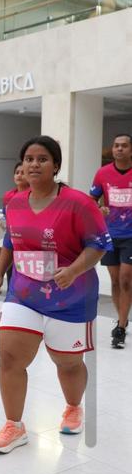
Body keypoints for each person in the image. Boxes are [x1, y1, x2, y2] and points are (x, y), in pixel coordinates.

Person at [0, 136, 112, 453]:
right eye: (29, 159)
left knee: (67, 363)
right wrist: (0, 273)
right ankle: (14, 426)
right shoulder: (15, 203)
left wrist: (73, 271)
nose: (34, 164)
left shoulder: (78, 203)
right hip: (23, 294)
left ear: (55, 165)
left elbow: (98, 244)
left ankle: (73, 407)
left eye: (42, 159)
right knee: (9, 357)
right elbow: (12, 244)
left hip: (71, 299)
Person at [89, 134, 132, 349]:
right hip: (110, 234)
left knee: (125, 279)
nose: (120, 149)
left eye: (124, 146)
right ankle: (122, 317)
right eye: (116, 146)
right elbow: (91, 200)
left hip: (131, 235)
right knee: (115, 281)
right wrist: (99, 209)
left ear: (131, 150)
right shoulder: (102, 173)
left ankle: (121, 327)